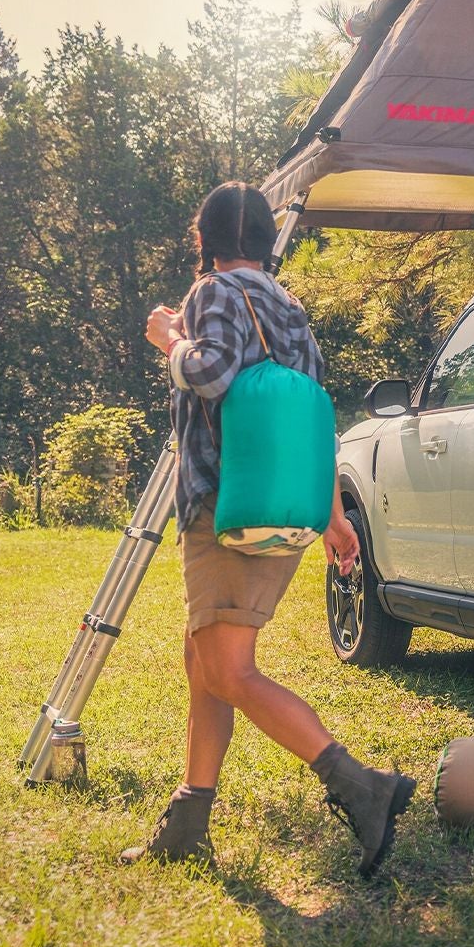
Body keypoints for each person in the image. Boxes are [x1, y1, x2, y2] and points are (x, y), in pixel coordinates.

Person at [121, 181, 415, 876]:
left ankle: (363, 787)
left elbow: (212, 371)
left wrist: (170, 340)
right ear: (264, 241)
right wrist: (334, 514)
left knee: (228, 669)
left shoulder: (213, 295)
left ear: (207, 242)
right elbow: (312, 415)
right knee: (203, 664)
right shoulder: (290, 309)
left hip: (229, 509)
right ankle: (189, 822)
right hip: (284, 510)